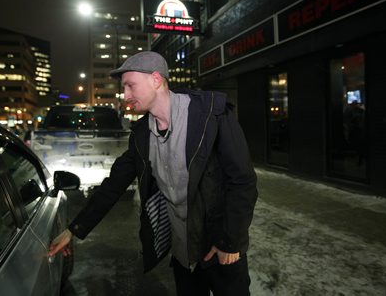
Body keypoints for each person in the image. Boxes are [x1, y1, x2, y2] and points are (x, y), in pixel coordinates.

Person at [49, 51, 258, 296]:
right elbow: (113, 185)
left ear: (156, 80)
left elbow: (242, 181)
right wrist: (74, 229)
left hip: (220, 247)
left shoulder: (211, 115)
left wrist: (230, 241)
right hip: (182, 253)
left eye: (130, 85)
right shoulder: (141, 136)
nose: (125, 95)